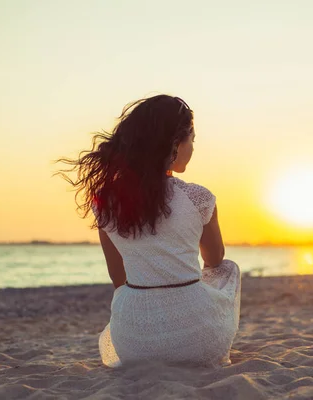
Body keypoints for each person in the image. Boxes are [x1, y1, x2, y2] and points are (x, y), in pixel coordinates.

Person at [60, 94, 241, 367]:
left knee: (128, 292)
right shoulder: (198, 198)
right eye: (191, 140)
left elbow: (118, 278)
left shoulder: (107, 202)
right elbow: (214, 260)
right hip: (201, 340)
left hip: (134, 342)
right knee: (228, 270)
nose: (193, 148)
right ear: (174, 144)